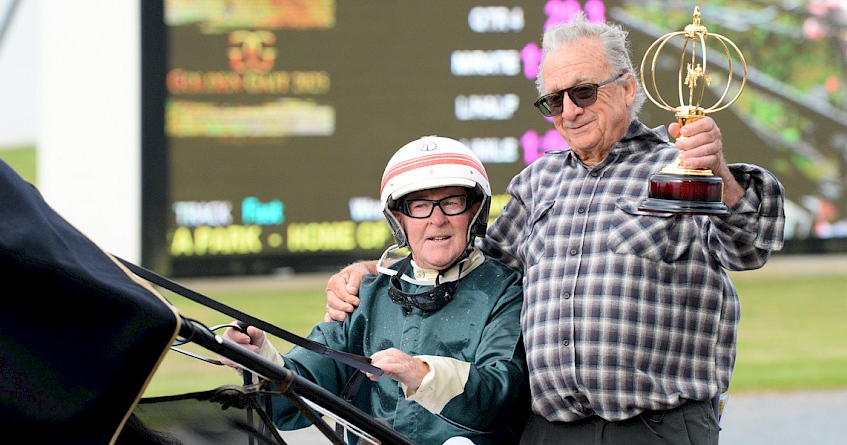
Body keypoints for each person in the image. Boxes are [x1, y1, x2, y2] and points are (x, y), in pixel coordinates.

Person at [325, 12, 786, 445]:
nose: (569, 110)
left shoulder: (679, 168)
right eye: (553, 100)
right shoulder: (536, 182)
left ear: (626, 88)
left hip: (655, 427)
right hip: (548, 429)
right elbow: (475, 265)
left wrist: (720, 175)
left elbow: (751, 245)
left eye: (583, 92)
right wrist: (376, 269)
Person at [222, 136, 530, 445]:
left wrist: (422, 374)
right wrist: (258, 357)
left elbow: (502, 394)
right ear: (399, 219)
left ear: (474, 211)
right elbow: (295, 402)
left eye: (451, 203)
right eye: (420, 206)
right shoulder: (364, 296)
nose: (437, 220)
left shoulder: (504, 290)